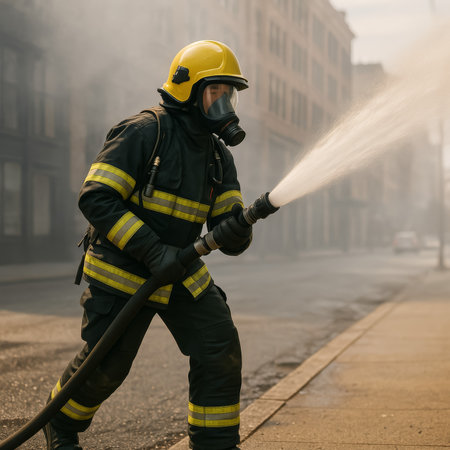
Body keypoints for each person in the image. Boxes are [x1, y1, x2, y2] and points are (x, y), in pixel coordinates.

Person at [43, 40, 252, 450]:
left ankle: (216, 443)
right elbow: (96, 197)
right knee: (108, 365)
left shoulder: (217, 157)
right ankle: (59, 424)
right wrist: (154, 252)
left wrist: (239, 230)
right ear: (187, 89)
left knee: (219, 345)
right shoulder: (144, 132)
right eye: (216, 92)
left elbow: (229, 228)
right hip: (125, 269)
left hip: (182, 269)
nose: (225, 104)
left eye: (230, 95)